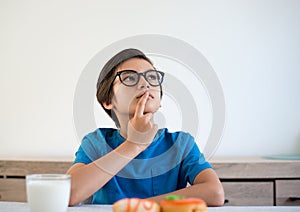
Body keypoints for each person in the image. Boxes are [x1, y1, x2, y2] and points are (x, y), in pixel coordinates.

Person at [67, 48, 224, 206]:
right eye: (129, 78)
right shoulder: (96, 142)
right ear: (108, 101)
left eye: (151, 77)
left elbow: (215, 193)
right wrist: (134, 145)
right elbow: (69, 193)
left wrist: (140, 207)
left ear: (159, 99)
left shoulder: (181, 144)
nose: (145, 83)